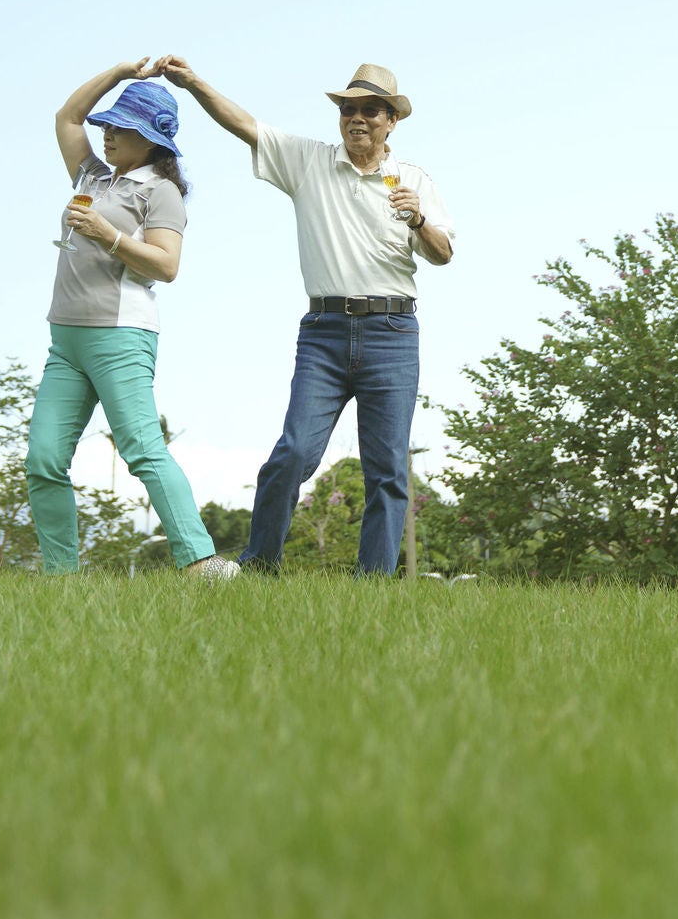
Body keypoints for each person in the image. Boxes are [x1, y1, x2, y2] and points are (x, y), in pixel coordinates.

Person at [158, 56, 455, 576]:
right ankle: (260, 567)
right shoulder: (309, 162)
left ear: (392, 121)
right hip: (324, 333)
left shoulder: (413, 179)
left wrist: (420, 217)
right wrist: (194, 83)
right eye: (348, 109)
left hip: (392, 333)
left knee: (386, 471)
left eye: (369, 110)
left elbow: (443, 254)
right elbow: (243, 124)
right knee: (292, 452)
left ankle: (374, 588)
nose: (356, 118)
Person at [24, 59, 239, 580]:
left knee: (142, 451)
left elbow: (167, 266)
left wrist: (107, 234)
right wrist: (120, 73)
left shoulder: (160, 191)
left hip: (120, 337)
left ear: (151, 140)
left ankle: (202, 562)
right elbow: (67, 118)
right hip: (66, 340)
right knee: (43, 459)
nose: (110, 134)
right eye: (111, 125)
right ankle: (61, 579)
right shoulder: (92, 175)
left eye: (123, 128)